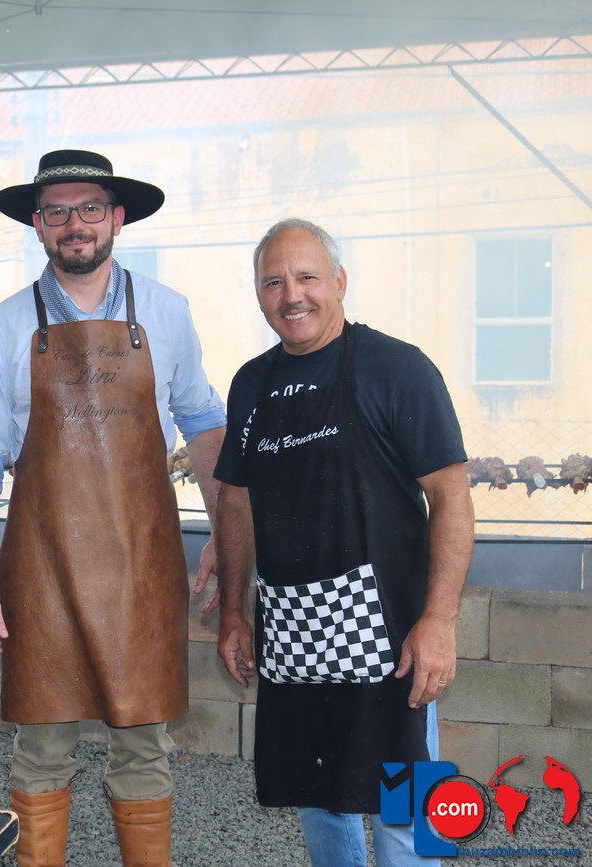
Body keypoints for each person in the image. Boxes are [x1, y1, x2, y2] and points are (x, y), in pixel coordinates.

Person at [0, 149, 227, 867]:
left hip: (141, 571)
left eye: (89, 209)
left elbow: (204, 424)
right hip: (42, 573)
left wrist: (227, 536)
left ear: (117, 217)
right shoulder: (7, 325)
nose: (74, 224)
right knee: (41, 751)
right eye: (57, 212)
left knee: (144, 751)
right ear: (37, 225)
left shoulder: (166, 313)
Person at [214, 218, 474, 866]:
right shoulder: (251, 384)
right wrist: (233, 612)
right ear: (258, 293)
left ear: (339, 281)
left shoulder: (398, 369)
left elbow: (451, 497)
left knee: (403, 801)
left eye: (306, 277)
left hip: (390, 633)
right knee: (318, 794)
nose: (291, 295)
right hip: (294, 630)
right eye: (273, 282)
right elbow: (236, 501)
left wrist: (440, 620)